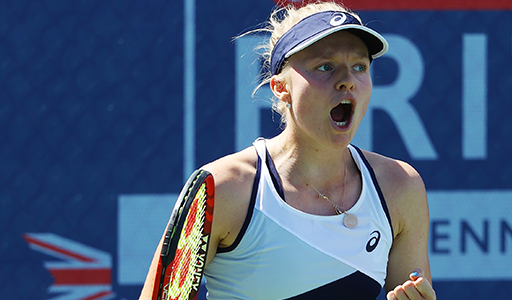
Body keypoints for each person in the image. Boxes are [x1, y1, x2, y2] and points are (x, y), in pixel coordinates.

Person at [140, 1, 436, 299]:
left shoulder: (399, 186)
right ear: (280, 87)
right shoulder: (224, 188)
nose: (347, 81)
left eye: (359, 66)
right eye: (325, 66)